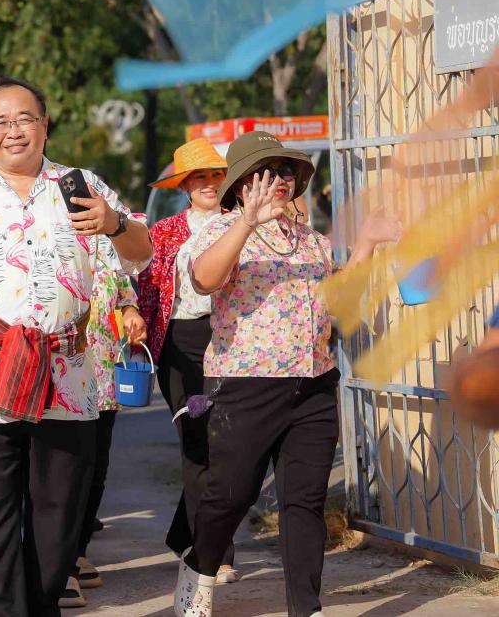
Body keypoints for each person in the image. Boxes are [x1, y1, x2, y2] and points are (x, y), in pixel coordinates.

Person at [0, 77, 152, 616]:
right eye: (0, 122)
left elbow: (141, 253)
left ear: (44, 124)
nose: (13, 131)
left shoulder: (82, 186)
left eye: (24, 118)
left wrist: (114, 223)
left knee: (58, 525)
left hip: (65, 380)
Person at [176, 131, 394, 617]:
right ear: (241, 185)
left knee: (304, 501)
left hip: (313, 384)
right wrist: (247, 223)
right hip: (245, 385)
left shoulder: (311, 242)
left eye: (286, 171)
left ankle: (306, 607)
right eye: (266, 171)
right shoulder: (220, 229)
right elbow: (205, 279)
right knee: (230, 494)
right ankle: (199, 567)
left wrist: (368, 243)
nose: (280, 179)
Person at [135, 139, 239, 580]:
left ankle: (188, 533)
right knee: (197, 441)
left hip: (233, 341)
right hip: (180, 343)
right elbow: (146, 288)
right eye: (199, 177)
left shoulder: (244, 224)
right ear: (184, 185)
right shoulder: (162, 233)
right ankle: (214, 553)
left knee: (229, 445)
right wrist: (136, 328)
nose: (209, 183)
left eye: (216, 175)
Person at [66, 232, 148, 606]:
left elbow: (125, 298)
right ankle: (59, 565)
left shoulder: (106, 243)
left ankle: (77, 550)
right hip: (59, 379)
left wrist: (131, 315)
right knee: (64, 473)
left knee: (95, 470)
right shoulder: (46, 235)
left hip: (102, 376)